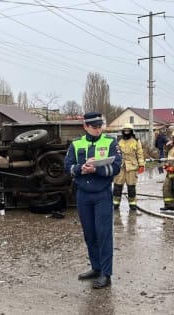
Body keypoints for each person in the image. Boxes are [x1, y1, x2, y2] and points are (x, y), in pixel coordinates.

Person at [64, 112, 122, 289]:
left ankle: (106, 274)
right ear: (86, 127)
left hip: (102, 195)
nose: (98, 129)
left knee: (104, 234)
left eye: (100, 126)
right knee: (90, 234)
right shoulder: (76, 144)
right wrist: (82, 168)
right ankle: (96, 268)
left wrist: (96, 170)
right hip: (83, 195)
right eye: (94, 127)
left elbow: (117, 167)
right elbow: (67, 167)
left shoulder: (111, 142)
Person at [113, 123, 145, 211]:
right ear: (123, 131)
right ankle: (115, 204)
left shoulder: (136, 141)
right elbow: (114, 153)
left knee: (131, 187)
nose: (126, 132)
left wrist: (141, 164)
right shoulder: (118, 140)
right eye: (125, 130)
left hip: (132, 167)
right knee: (117, 186)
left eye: (128, 130)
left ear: (131, 131)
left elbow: (139, 153)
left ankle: (132, 204)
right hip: (120, 167)